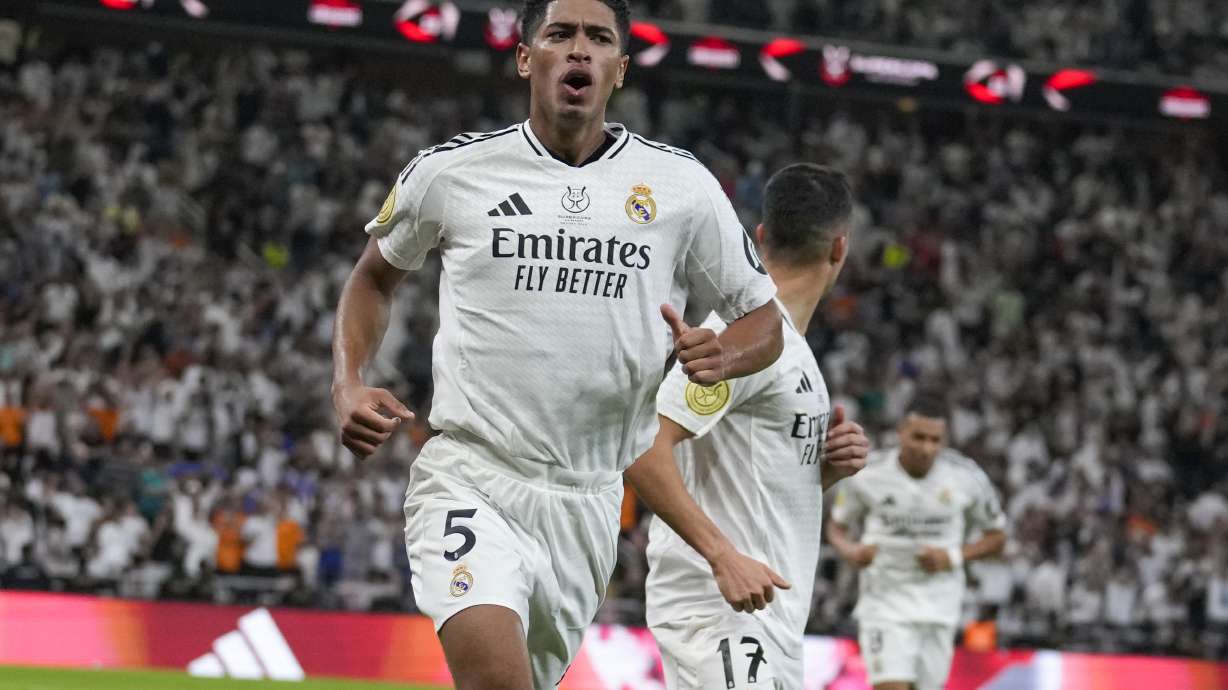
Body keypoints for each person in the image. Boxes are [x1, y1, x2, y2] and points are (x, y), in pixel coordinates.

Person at [330, 1, 783, 687]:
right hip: (472, 476)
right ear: (524, 58)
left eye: (599, 39)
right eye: (560, 35)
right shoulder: (454, 172)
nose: (580, 50)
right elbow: (373, 278)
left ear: (620, 70)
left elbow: (765, 322)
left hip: (588, 499)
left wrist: (727, 354)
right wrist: (348, 381)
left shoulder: (682, 187)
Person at [629, 164, 871, 690]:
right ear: (839, 250)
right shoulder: (738, 338)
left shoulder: (786, 346)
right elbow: (644, 445)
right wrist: (722, 556)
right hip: (723, 616)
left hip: (768, 618)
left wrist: (819, 472)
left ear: (760, 236)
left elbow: (750, 477)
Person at [827, 396, 1008, 690]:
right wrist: (851, 551)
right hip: (884, 602)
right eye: (919, 437)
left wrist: (952, 557)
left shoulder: (966, 477)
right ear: (901, 432)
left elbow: (998, 537)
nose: (927, 448)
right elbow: (837, 527)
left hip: (939, 606)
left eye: (935, 440)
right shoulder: (868, 475)